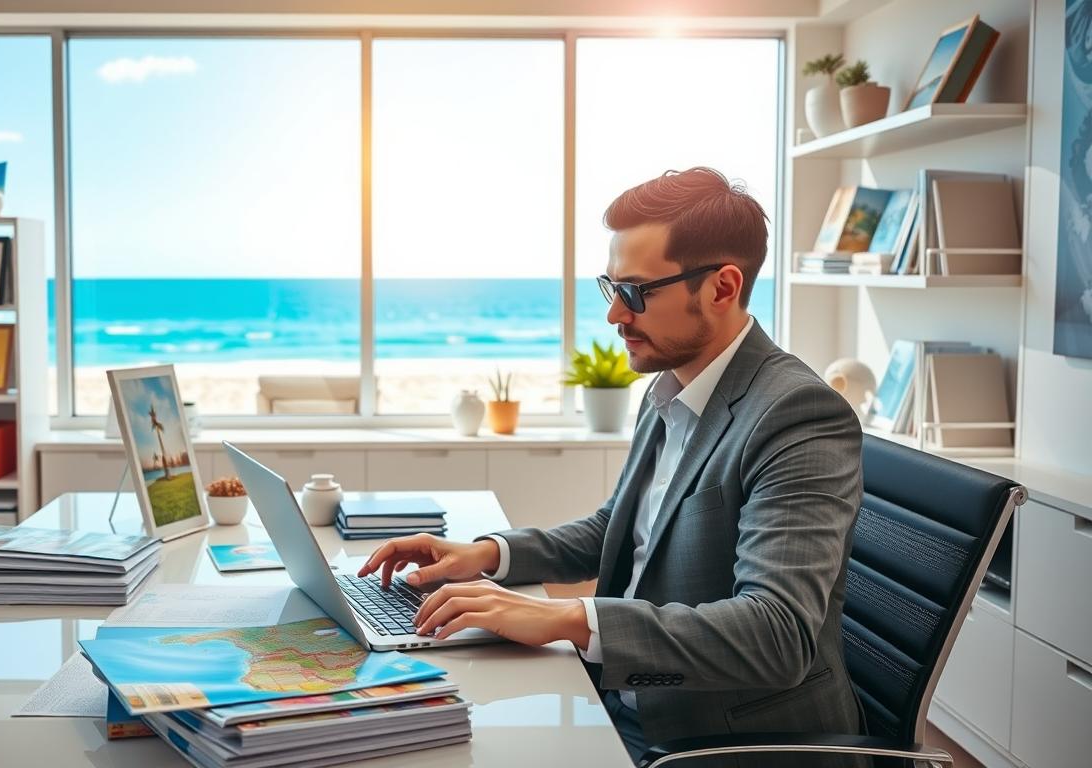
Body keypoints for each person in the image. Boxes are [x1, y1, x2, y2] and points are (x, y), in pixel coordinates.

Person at [359, 167, 866, 766]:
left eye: (636, 293)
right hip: (623, 700)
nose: (615, 316)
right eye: (612, 288)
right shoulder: (672, 388)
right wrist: (488, 554)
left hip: (721, 741)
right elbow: (619, 530)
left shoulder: (797, 415)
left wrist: (566, 617)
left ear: (722, 288)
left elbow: (776, 634)